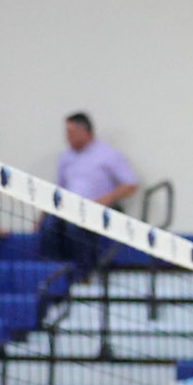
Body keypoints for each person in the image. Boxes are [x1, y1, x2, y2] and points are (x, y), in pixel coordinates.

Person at [37, 112, 137, 274]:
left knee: (74, 226)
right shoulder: (65, 157)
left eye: (70, 132)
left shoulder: (107, 154)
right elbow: (59, 187)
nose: (67, 137)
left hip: (95, 209)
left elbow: (130, 184)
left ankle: (84, 273)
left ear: (84, 131)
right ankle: (53, 273)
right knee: (49, 225)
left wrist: (105, 199)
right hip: (67, 207)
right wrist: (43, 213)